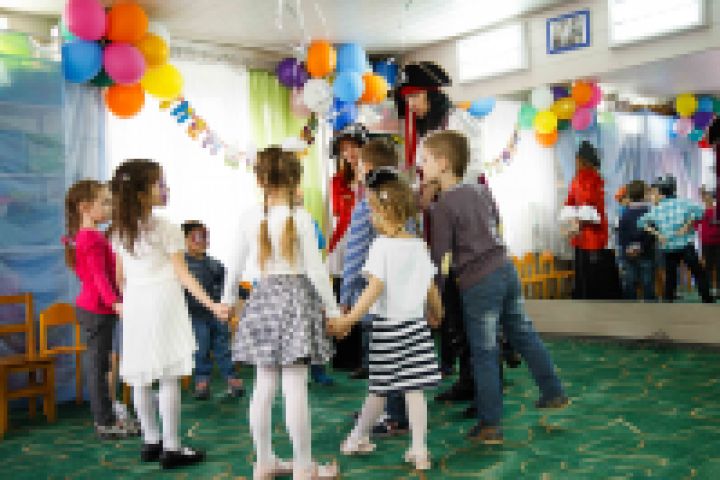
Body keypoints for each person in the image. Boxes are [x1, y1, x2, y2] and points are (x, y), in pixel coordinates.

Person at [423, 130, 568, 444]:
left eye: (425, 160)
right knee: (524, 333)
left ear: (443, 163)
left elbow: (439, 257)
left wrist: (434, 300)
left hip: (478, 281)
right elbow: (497, 224)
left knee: (484, 351)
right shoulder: (480, 189)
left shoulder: (444, 205)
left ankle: (490, 424)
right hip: (506, 268)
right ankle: (553, 391)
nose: (421, 166)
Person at [222, 147, 339, 479]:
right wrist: (332, 308)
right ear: (294, 180)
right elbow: (316, 270)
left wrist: (227, 301)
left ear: (260, 180)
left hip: (263, 299)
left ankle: (263, 463)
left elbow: (234, 266)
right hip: (296, 300)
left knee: (263, 384)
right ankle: (303, 466)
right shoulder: (300, 218)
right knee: (295, 386)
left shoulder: (249, 216)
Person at [110, 159, 228, 469]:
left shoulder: (119, 230)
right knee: (168, 375)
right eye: (159, 184)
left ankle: (151, 441)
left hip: (135, 303)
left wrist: (129, 301)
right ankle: (172, 447)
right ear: (141, 193)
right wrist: (213, 305)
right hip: (163, 301)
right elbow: (184, 275)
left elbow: (120, 277)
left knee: (140, 377)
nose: (166, 188)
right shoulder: (166, 227)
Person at [329, 169, 443, 471]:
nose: (369, 217)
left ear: (384, 211)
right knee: (414, 391)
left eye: (371, 210)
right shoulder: (418, 245)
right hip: (415, 329)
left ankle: (356, 438)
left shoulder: (381, 246)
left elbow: (374, 288)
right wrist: (438, 312)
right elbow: (431, 287)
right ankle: (419, 450)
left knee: (379, 390)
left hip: (387, 331)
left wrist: (349, 319)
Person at [340, 140, 412, 436]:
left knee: (382, 361)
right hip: (404, 299)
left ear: (367, 168)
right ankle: (385, 409)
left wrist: (345, 297)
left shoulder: (366, 207)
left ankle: (393, 415)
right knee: (398, 359)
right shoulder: (405, 203)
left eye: (358, 165)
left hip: (374, 298)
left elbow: (354, 255)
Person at [64, 180, 137, 440]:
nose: (110, 207)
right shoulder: (91, 237)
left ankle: (108, 416)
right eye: (104, 203)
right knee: (98, 367)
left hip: (97, 308)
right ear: (84, 207)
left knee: (102, 365)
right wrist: (115, 302)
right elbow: (98, 276)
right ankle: (104, 422)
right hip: (97, 310)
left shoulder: (88, 235)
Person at [181, 220, 244, 400]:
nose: (202, 241)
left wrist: (242, 295)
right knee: (201, 348)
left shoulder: (215, 264)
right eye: (196, 237)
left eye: (205, 236)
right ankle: (202, 382)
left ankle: (232, 379)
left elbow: (229, 286)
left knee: (223, 346)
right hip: (195, 315)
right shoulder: (182, 266)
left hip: (217, 314)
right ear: (184, 239)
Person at [638, 175, 713, 303]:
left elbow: (641, 222)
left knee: (670, 275)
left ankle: (669, 300)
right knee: (698, 272)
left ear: (661, 192)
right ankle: (707, 298)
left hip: (668, 246)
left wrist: (658, 234)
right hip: (685, 244)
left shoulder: (657, 208)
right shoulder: (684, 203)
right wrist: (688, 225)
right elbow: (702, 211)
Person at [563, 141, 619, 299]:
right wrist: (575, 223)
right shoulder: (592, 178)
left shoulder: (583, 179)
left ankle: (587, 298)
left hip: (589, 232)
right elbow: (575, 203)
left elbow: (583, 204)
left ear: (581, 160)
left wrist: (575, 224)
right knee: (592, 271)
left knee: (587, 271)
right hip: (591, 230)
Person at [617, 181, 656, 301]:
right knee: (647, 282)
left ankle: (630, 308)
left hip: (628, 253)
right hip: (646, 252)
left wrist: (627, 247)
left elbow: (621, 234)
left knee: (630, 282)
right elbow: (651, 234)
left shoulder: (625, 214)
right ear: (644, 195)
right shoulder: (649, 213)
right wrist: (641, 247)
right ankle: (650, 308)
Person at [697, 187, 720, 297]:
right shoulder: (700, 212)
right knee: (708, 267)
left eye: (709, 196)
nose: (707, 199)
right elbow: (695, 225)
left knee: (718, 266)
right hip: (706, 242)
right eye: (705, 197)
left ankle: (718, 290)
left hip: (718, 242)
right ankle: (708, 290)